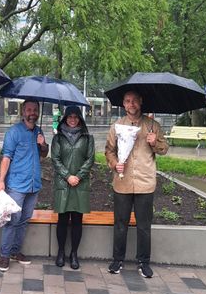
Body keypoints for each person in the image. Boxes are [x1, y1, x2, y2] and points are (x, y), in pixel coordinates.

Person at [105, 90, 169, 278]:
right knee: (120, 224)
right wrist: (115, 163)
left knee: (144, 225)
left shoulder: (152, 125)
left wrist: (154, 141)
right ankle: (117, 260)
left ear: (141, 102)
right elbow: (109, 150)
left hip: (145, 183)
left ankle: (144, 262)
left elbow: (164, 149)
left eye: (134, 101)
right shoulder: (116, 126)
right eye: (127, 101)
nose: (131, 104)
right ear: (123, 104)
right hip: (122, 182)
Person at [0, 99, 49, 272]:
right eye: (29, 110)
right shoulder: (14, 132)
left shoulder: (39, 131)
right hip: (17, 185)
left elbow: (44, 155)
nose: (32, 113)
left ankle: (15, 251)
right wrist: (1, 181)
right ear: (22, 112)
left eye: (35, 110)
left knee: (24, 220)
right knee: (13, 220)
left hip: (33, 185)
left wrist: (43, 144)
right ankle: (4, 256)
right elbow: (6, 157)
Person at [51, 106, 95, 270]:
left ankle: (74, 254)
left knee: (77, 220)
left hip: (80, 184)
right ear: (65, 118)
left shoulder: (88, 138)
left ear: (80, 119)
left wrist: (78, 176)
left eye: (76, 117)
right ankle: (61, 252)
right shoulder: (58, 138)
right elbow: (55, 159)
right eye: (70, 116)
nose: (73, 119)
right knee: (62, 220)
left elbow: (90, 159)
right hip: (63, 184)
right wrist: (68, 176)